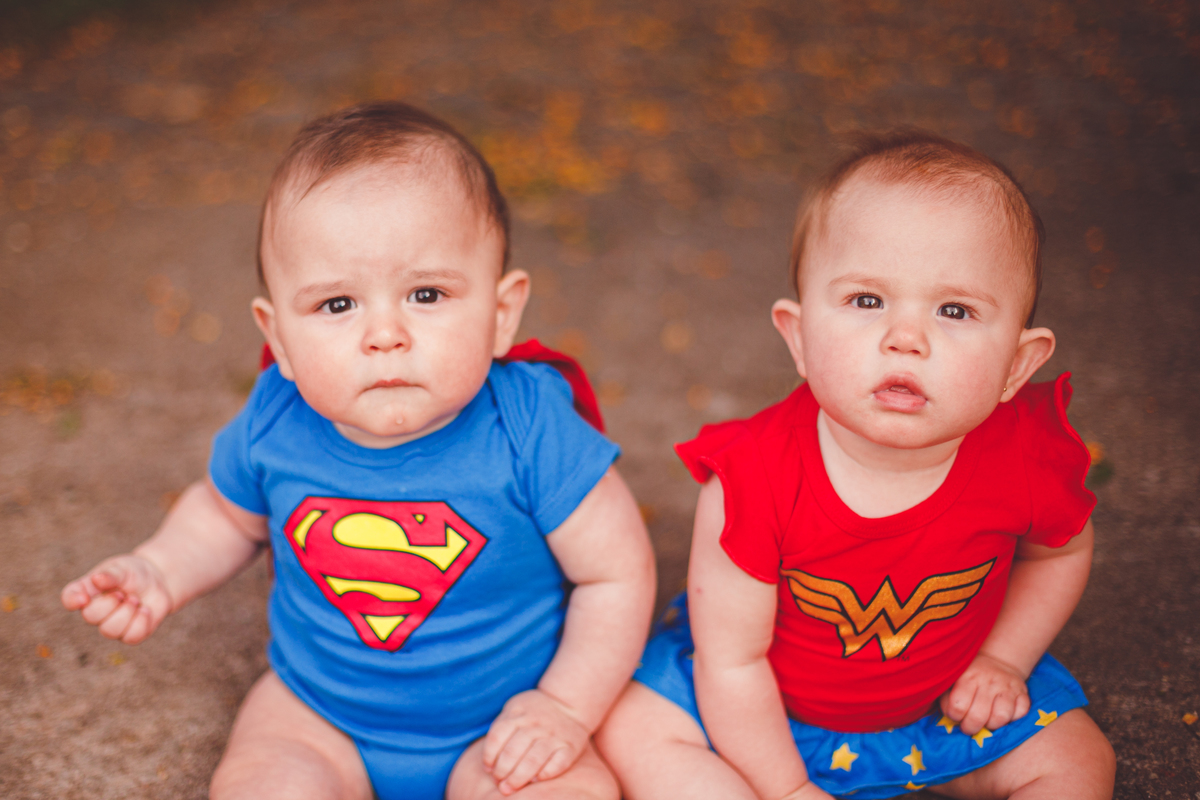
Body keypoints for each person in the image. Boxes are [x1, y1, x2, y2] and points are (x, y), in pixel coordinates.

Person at [61, 102, 656, 800]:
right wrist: (160, 568)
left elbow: (616, 577)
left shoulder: (528, 428)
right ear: (278, 335)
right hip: (318, 716)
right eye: (337, 305)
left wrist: (564, 707)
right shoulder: (274, 420)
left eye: (426, 293)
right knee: (260, 783)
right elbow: (226, 518)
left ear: (501, 314)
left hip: (500, 729)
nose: (384, 334)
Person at [596, 131, 1116, 800]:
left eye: (954, 310)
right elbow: (732, 664)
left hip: (945, 705)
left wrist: (1001, 659)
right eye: (867, 301)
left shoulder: (1026, 456)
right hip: (761, 717)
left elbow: (1060, 554)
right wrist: (785, 789)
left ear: (1018, 364)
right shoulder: (754, 480)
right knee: (636, 732)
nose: (906, 338)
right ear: (799, 336)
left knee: (1078, 764)